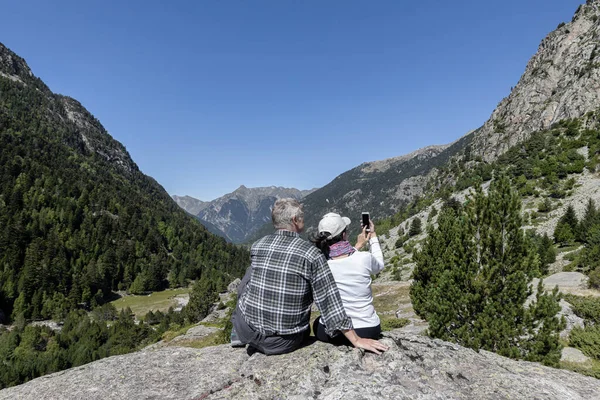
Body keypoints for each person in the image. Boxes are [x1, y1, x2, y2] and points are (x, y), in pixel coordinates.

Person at [231, 198, 388, 355]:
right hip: (286, 341)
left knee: (247, 278)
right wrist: (356, 340)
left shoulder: (257, 245)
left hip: (249, 333)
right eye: (302, 217)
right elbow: (328, 300)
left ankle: (236, 333)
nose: (303, 220)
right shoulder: (311, 254)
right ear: (294, 220)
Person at [312, 212, 385, 345]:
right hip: (368, 329)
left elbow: (340, 261)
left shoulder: (320, 264)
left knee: (317, 322)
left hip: (333, 333)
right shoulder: (364, 258)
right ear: (344, 234)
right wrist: (373, 236)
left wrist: (357, 246)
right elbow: (379, 265)